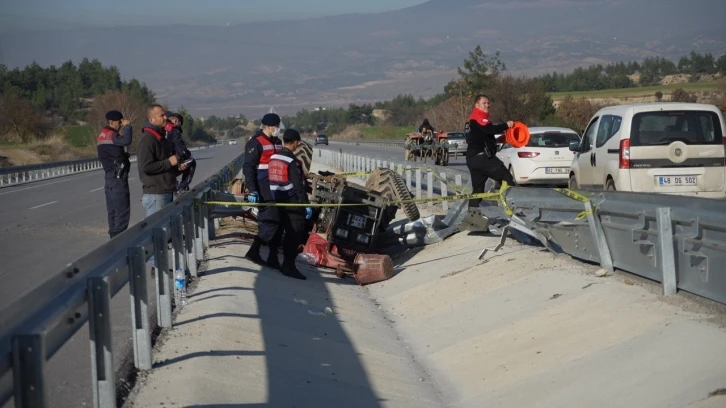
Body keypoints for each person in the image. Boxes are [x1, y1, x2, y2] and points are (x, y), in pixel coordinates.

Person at [268, 129, 312, 280]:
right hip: (291, 201)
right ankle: (289, 266)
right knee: (294, 233)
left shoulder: (274, 156)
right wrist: (305, 205)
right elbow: (298, 185)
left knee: (279, 230)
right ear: (295, 142)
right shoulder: (292, 160)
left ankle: (272, 258)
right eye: (298, 143)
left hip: (276, 198)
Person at [242, 113, 284, 268]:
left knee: (279, 223)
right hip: (263, 187)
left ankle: (273, 257)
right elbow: (248, 168)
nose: (278, 129)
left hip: (278, 187)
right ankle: (254, 251)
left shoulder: (278, 142)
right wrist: (253, 190)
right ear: (268, 126)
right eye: (276, 126)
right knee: (271, 221)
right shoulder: (255, 143)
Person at [464, 94, 515, 208]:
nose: (488, 105)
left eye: (488, 103)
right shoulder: (480, 116)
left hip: (472, 159)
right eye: (484, 103)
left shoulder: (471, 121)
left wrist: (500, 139)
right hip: (483, 159)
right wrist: (506, 125)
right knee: (507, 178)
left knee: (478, 191)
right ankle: (511, 209)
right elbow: (490, 130)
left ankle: (472, 217)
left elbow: (482, 137)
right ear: (476, 105)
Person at [97, 110, 132, 239]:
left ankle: (113, 238)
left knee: (112, 211)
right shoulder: (111, 135)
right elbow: (126, 140)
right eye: (119, 122)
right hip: (118, 177)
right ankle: (119, 241)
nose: (120, 125)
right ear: (112, 122)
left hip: (109, 177)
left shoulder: (102, 135)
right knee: (122, 211)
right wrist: (127, 127)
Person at [164, 112, 196, 193]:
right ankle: (182, 187)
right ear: (176, 121)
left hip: (160, 162)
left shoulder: (160, 129)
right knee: (191, 161)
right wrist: (186, 154)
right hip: (169, 163)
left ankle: (174, 184)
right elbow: (181, 150)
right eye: (180, 124)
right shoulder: (174, 130)